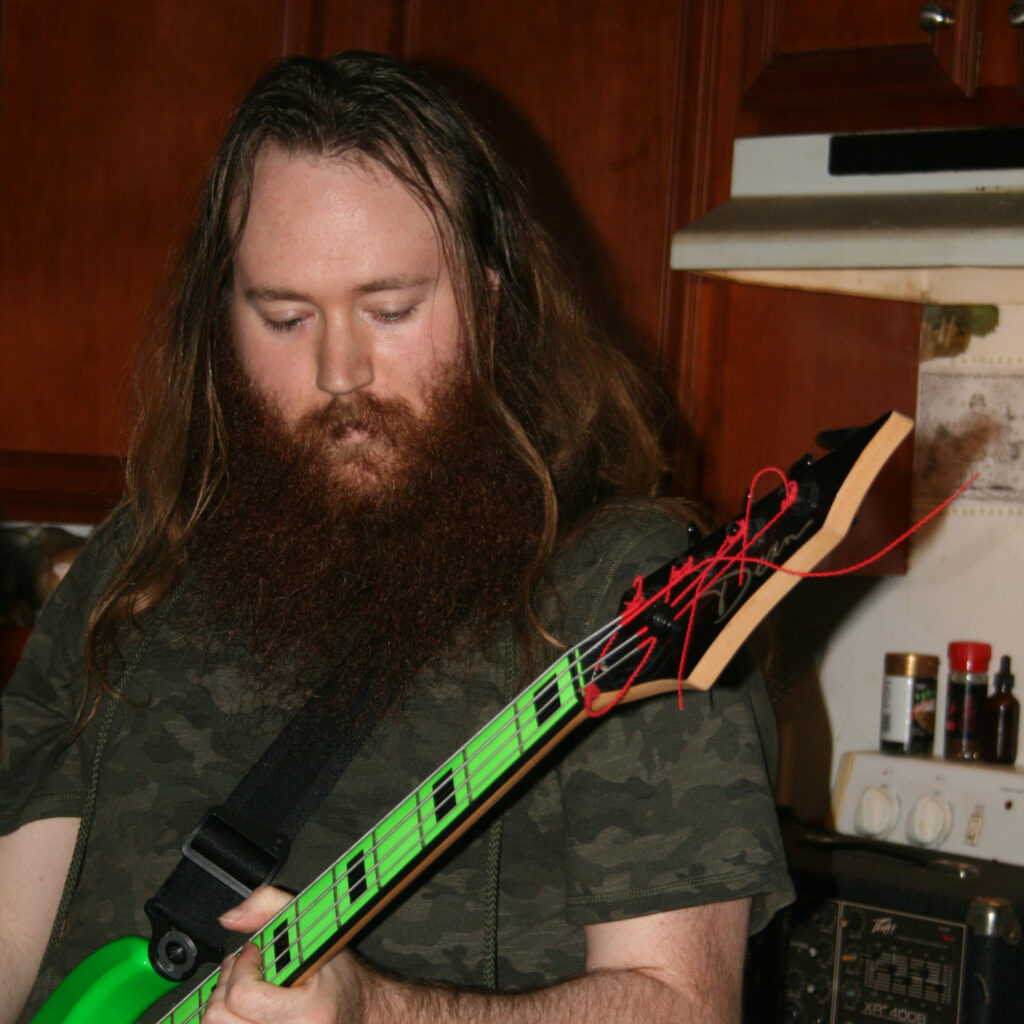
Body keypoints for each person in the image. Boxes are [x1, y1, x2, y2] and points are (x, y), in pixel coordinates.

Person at [0, 52, 792, 1023]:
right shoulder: (142, 556)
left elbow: (681, 1006)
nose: (341, 370)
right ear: (224, 320)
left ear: (491, 300)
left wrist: (379, 1011)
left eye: (390, 310)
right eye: (285, 317)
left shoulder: (633, 599)